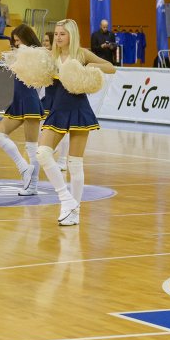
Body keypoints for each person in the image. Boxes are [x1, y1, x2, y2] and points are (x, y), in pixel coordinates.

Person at [32, 18, 116, 226]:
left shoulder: (81, 54)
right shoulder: (50, 56)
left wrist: (86, 67)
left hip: (78, 108)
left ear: (72, 35)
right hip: (57, 110)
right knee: (42, 153)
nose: (58, 38)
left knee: (75, 163)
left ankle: (74, 212)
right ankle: (65, 198)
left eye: (62, 34)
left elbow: (110, 68)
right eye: (57, 34)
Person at [0, 24, 42, 196]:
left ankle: (33, 186)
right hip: (18, 101)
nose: (16, 44)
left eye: (18, 40)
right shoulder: (20, 55)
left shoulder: (37, 55)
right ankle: (23, 168)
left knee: (32, 146)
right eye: (14, 41)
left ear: (27, 39)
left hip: (29, 101)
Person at [39, 32, 68, 172]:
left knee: (64, 130)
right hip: (48, 95)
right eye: (43, 40)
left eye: (46, 40)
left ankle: (63, 160)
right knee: (44, 126)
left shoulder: (60, 56)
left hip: (60, 96)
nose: (45, 42)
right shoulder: (47, 56)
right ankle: (51, 149)